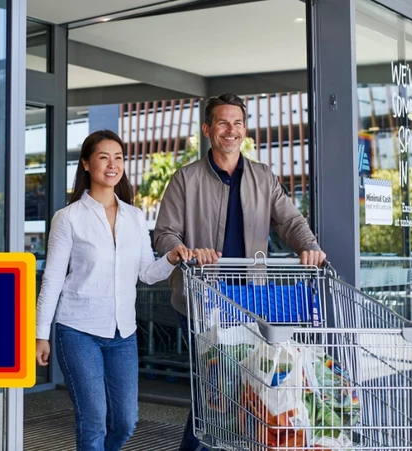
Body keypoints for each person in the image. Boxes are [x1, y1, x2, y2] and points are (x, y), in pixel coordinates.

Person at [152, 93, 327, 451]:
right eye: (222, 122)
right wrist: (184, 251)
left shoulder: (263, 177)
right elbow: (164, 234)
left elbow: (290, 221)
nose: (231, 130)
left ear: (245, 130)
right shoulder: (185, 179)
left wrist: (308, 246)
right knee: (214, 388)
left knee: (243, 390)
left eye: (237, 123)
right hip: (203, 301)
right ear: (207, 129)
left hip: (252, 300)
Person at [36, 129, 193, 451]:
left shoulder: (134, 217)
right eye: (104, 157)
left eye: (118, 158)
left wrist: (171, 258)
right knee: (93, 421)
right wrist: (41, 335)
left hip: (123, 333)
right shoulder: (68, 218)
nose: (113, 165)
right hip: (78, 330)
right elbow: (52, 279)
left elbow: (146, 274)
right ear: (86, 163)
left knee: (125, 421)